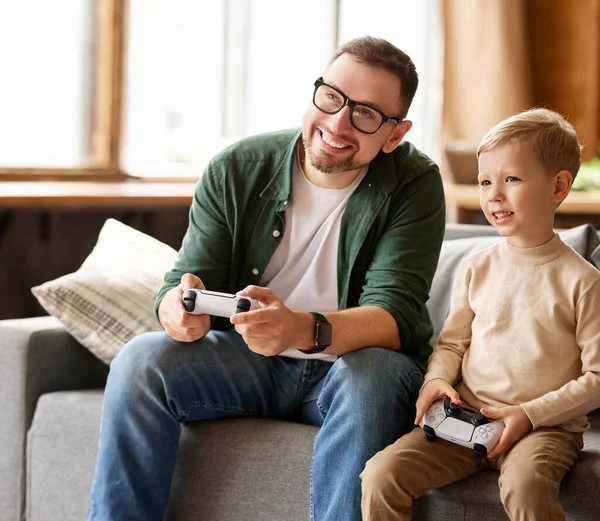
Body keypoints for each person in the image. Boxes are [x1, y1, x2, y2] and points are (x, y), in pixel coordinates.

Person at [87, 36, 446, 521]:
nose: (339, 122)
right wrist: (176, 310)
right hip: (248, 364)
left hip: (350, 373)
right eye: (332, 97)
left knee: (374, 375)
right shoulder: (237, 167)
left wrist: (300, 329)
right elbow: (182, 280)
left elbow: (395, 315)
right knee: (140, 360)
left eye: (365, 114)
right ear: (317, 90)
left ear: (394, 134)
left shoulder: (414, 183)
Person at [361, 107, 600, 521]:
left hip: (544, 429)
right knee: (381, 474)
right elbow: (453, 344)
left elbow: (596, 379)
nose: (493, 195)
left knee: (526, 487)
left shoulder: (584, 282)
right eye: (485, 181)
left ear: (558, 186)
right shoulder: (476, 267)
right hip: (464, 418)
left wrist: (529, 415)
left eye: (511, 179)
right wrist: (436, 379)